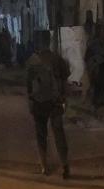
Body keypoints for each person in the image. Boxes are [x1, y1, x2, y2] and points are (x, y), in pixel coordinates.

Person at [25, 31, 70, 178]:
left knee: (41, 134)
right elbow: (64, 80)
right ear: (49, 41)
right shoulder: (57, 59)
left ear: (38, 42)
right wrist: (63, 97)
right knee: (59, 133)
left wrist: (30, 101)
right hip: (55, 101)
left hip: (39, 102)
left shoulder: (32, 61)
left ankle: (44, 165)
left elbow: (29, 85)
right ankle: (65, 164)